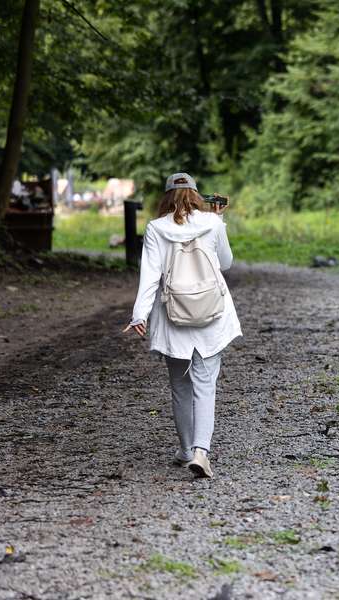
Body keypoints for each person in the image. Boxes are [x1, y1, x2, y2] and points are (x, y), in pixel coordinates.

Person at [122, 173, 242, 478]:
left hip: (172, 315)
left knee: (180, 387)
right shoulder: (212, 222)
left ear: (166, 198)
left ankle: (186, 450)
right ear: (197, 196)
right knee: (205, 385)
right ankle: (201, 453)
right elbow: (226, 262)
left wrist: (139, 315)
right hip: (211, 313)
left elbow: (150, 275)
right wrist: (218, 221)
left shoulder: (155, 228)